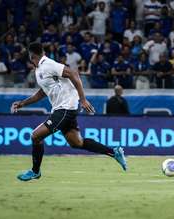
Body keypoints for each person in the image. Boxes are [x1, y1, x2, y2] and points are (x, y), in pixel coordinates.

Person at [11, 42, 127, 181]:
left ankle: (35, 171)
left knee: (35, 136)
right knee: (76, 142)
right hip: (63, 109)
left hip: (65, 108)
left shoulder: (48, 64)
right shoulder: (39, 70)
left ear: (31, 56)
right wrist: (23, 103)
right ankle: (113, 152)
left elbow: (74, 74)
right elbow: (43, 92)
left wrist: (83, 99)